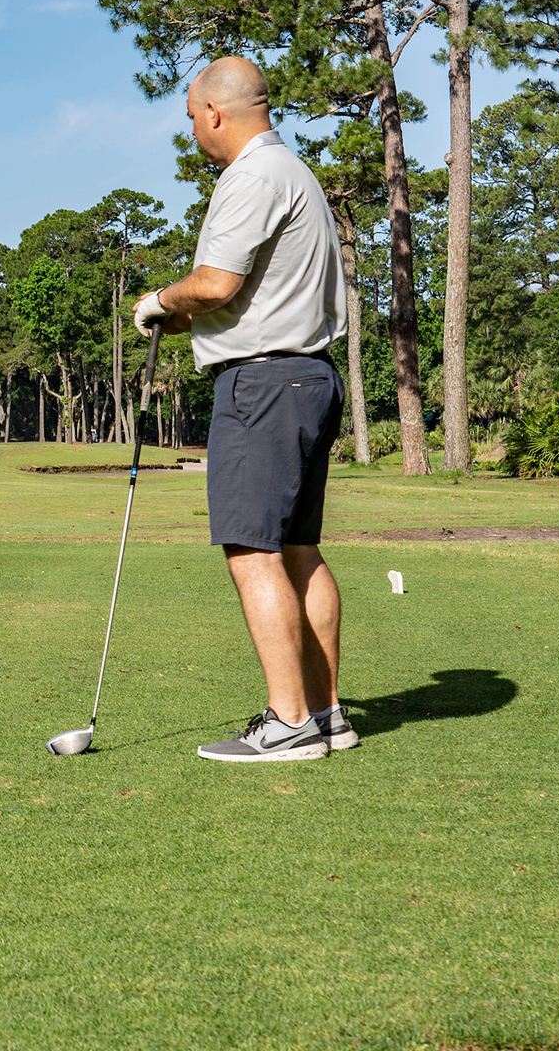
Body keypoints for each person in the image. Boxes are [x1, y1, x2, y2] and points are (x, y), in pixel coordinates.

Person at [132, 56, 354, 762]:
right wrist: (177, 319)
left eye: (191, 117)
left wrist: (158, 301)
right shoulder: (294, 172)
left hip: (263, 385)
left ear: (215, 113)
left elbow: (215, 284)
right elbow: (245, 294)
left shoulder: (251, 176)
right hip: (307, 377)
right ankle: (325, 714)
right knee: (297, 550)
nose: (193, 130)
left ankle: (290, 723)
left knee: (252, 550)